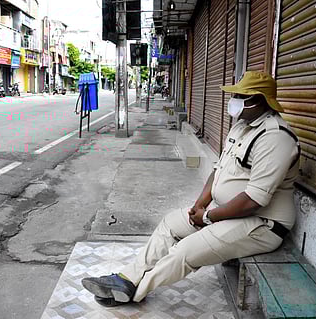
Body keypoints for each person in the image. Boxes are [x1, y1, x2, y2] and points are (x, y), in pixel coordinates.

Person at [82, 71, 301, 307]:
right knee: (170, 223)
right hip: (226, 212)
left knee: (184, 251)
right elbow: (218, 171)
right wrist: (200, 205)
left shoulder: (275, 137)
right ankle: (126, 278)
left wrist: (207, 217)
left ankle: (133, 292)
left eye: (240, 95)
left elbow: (254, 201)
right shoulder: (242, 127)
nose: (234, 99)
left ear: (258, 100)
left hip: (261, 224)